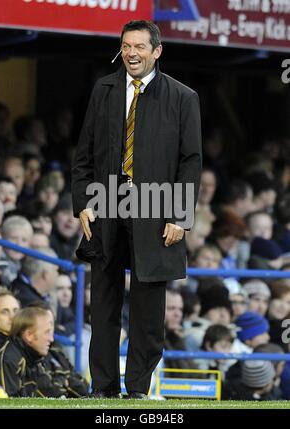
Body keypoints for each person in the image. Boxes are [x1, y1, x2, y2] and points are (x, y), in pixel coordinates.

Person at [71, 20, 202, 399]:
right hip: (106, 207)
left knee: (147, 314)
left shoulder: (183, 97)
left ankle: (139, 389)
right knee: (104, 307)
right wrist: (82, 204)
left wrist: (180, 215)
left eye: (140, 47)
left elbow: (190, 161)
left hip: (158, 211)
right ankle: (104, 388)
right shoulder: (104, 89)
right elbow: (83, 154)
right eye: (126, 45)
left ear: (156, 51)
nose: (131, 53)